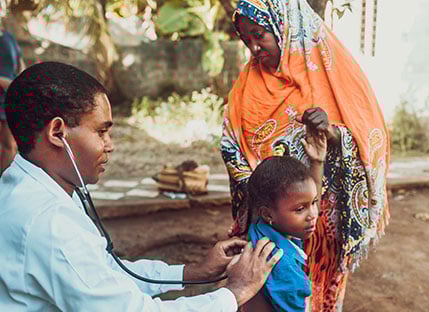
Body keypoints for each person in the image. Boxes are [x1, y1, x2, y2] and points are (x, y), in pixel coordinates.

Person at [0, 61, 283, 311]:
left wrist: (192, 272)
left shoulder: (31, 185)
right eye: (101, 131)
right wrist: (234, 294)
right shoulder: (48, 221)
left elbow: (106, 275)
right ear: (57, 132)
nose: (109, 146)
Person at [220, 0, 391, 310]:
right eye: (247, 40)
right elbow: (230, 145)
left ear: (284, 28)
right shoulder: (247, 85)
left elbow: (370, 138)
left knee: (318, 294)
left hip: (321, 224)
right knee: (271, 293)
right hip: (269, 220)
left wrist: (333, 134)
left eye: (260, 35)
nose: (254, 48)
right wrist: (261, 196)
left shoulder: (330, 73)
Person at [243, 127, 326, 312]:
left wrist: (317, 163)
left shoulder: (263, 228)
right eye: (300, 209)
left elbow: (303, 197)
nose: (313, 214)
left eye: (313, 203)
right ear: (267, 214)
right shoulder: (284, 265)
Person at [0, 26, 24, 174]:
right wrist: (5, 83)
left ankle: (4, 183)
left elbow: (19, 63)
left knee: (11, 145)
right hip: (5, 90)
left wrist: (22, 82)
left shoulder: (8, 36)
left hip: (10, 97)